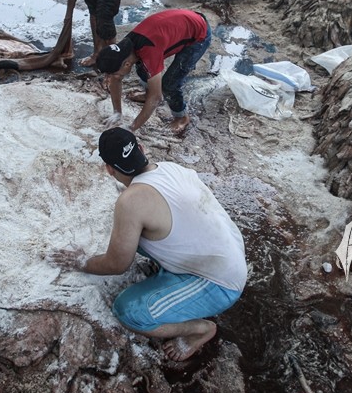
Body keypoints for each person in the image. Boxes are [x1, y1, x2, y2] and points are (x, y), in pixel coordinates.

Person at [54, 129, 246, 361]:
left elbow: (117, 264)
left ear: (109, 169)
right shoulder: (169, 167)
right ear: (142, 149)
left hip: (221, 283)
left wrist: (82, 262)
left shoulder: (131, 201)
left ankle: (200, 330)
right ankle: (172, 276)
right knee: (135, 232)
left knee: (129, 312)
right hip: (230, 252)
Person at [95, 8, 211, 134]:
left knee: (169, 85)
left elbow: (156, 97)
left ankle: (181, 117)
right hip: (180, 25)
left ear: (127, 64)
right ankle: (147, 94)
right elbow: (116, 79)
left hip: (199, 35)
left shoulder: (149, 51)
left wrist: (131, 128)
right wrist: (117, 114)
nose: (114, 77)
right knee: (142, 69)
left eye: (115, 73)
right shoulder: (125, 48)